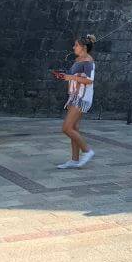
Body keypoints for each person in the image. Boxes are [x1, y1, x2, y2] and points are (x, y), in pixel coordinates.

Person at [53, 34, 96, 169]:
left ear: (83, 47)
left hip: (81, 98)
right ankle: (74, 160)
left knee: (66, 128)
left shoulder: (88, 61)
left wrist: (70, 77)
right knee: (74, 128)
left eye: (76, 45)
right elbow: (75, 76)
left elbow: (89, 80)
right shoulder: (79, 59)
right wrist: (64, 76)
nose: (73, 47)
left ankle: (87, 151)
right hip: (75, 96)